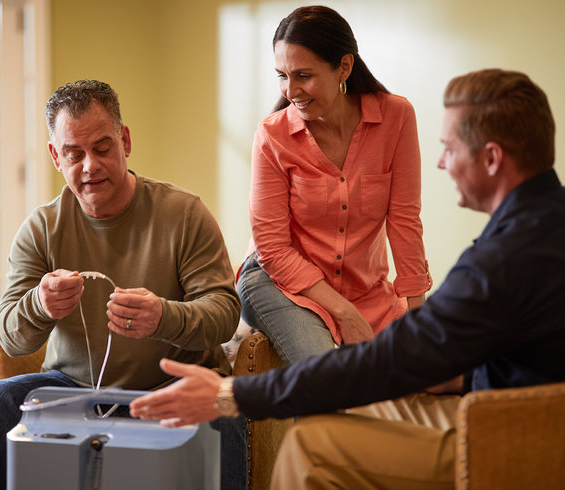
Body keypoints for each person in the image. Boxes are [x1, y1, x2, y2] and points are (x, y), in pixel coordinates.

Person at [131, 68, 565, 488]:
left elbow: (389, 359)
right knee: (386, 403)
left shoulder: (503, 259)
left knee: (311, 445)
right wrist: (456, 373)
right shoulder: (545, 225)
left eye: (449, 148)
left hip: (514, 441)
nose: (439, 162)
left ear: (491, 158)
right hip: (520, 411)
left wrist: (234, 394)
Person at [0, 80, 243, 489]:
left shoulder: (183, 213)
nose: (89, 166)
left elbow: (223, 312)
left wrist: (164, 316)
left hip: (171, 386)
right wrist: (40, 305)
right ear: (55, 157)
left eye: (102, 148)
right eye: (73, 154)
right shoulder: (41, 228)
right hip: (74, 390)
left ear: (125, 141)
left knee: (223, 410)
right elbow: (10, 336)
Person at [236, 5, 433, 365]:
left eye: (303, 76)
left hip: (365, 290)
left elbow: (405, 220)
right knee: (333, 376)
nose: (291, 90)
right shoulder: (272, 136)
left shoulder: (396, 118)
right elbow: (273, 249)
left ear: (344, 66)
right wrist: (343, 312)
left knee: (435, 370)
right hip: (278, 283)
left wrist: (417, 312)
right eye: (281, 75)